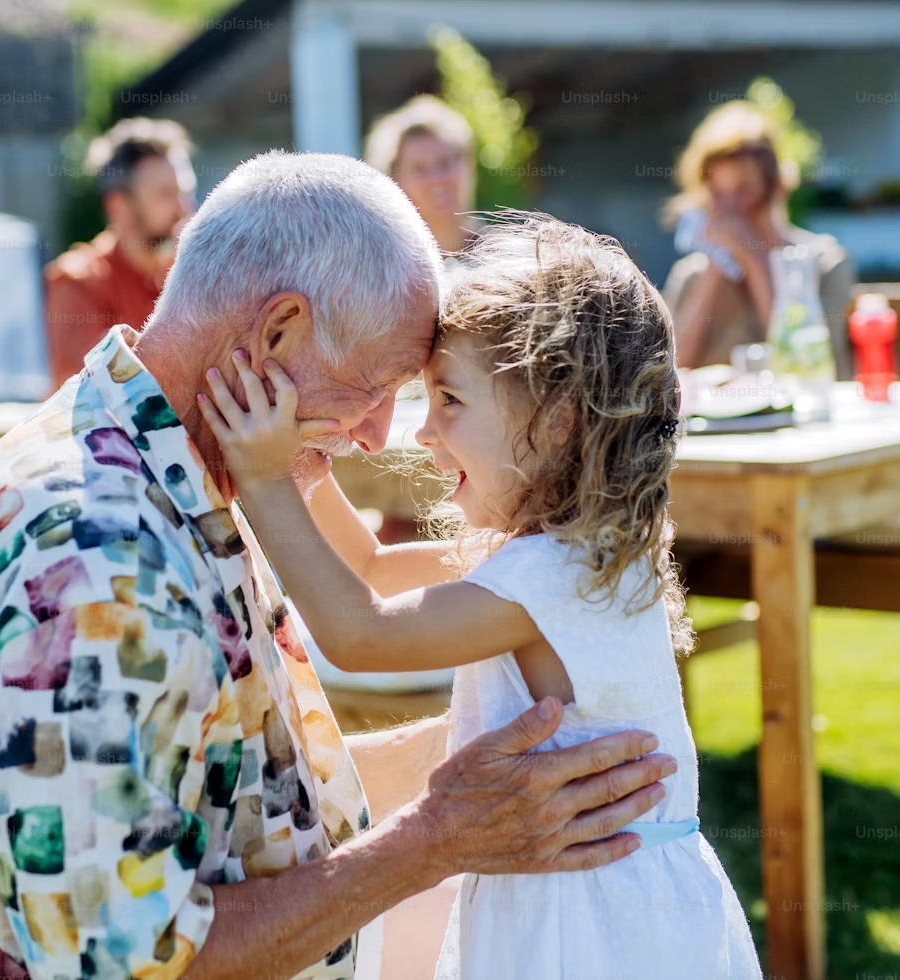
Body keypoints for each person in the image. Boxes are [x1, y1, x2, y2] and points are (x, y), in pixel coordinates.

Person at [0, 154, 675, 980]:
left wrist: (497, 750)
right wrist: (432, 841)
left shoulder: (173, 467)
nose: (379, 436)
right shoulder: (91, 568)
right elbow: (128, 963)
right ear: (276, 334)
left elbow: (226, 792)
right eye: (379, 387)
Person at [196, 216, 763, 980]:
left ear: (555, 423)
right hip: (602, 894)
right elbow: (369, 564)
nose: (423, 434)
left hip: (596, 919)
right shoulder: (571, 552)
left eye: (451, 402)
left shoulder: (548, 578)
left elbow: (360, 632)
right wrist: (302, 462)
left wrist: (260, 481)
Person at [663, 100, 855, 374]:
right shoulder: (691, 275)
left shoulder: (823, 262)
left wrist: (754, 259)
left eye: (742, 190)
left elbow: (807, 364)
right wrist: (716, 268)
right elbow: (672, 374)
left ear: (777, 188)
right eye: (718, 194)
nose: (729, 209)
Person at [44, 117, 196, 387]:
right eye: (165, 194)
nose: (183, 207)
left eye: (186, 192)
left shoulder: (192, 276)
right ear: (119, 206)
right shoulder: (78, 281)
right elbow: (85, 395)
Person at [365, 95, 480, 259]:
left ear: (469, 166)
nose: (436, 179)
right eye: (419, 170)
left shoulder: (505, 257)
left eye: (445, 163)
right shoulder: (384, 269)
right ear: (394, 184)